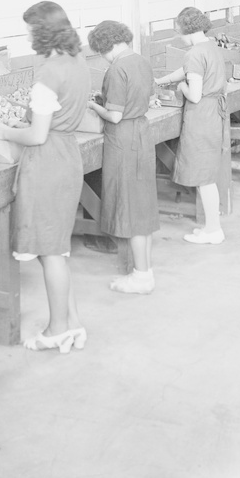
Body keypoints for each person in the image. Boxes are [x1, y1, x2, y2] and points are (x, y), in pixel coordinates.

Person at [0, 1, 91, 353]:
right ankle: (74, 323)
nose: (28, 36)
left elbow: (36, 136)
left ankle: (57, 328)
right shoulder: (78, 62)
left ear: (41, 32)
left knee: (49, 252)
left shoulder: (48, 72)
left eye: (29, 30)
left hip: (47, 163)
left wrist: (6, 131)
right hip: (68, 155)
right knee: (58, 250)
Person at [86, 20, 160, 294]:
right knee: (142, 205)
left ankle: (140, 277)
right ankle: (145, 270)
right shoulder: (141, 61)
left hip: (123, 138)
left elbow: (115, 115)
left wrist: (94, 105)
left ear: (106, 46)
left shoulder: (116, 68)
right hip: (140, 132)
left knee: (130, 207)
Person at [154, 7, 229, 245]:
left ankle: (214, 230)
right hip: (213, 115)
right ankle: (210, 226)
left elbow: (194, 94)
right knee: (206, 174)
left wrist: (180, 88)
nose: (180, 38)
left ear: (186, 31)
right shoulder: (211, 47)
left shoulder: (194, 53)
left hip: (201, 116)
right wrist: (163, 80)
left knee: (203, 177)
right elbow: (189, 70)